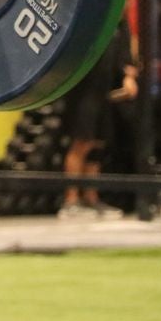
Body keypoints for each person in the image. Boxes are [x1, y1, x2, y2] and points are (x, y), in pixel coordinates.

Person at [57, 14, 139, 220]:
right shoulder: (89, 17)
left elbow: (127, 59)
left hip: (103, 92)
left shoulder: (119, 23)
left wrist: (128, 77)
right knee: (81, 144)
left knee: (97, 147)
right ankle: (71, 201)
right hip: (83, 92)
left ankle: (91, 199)